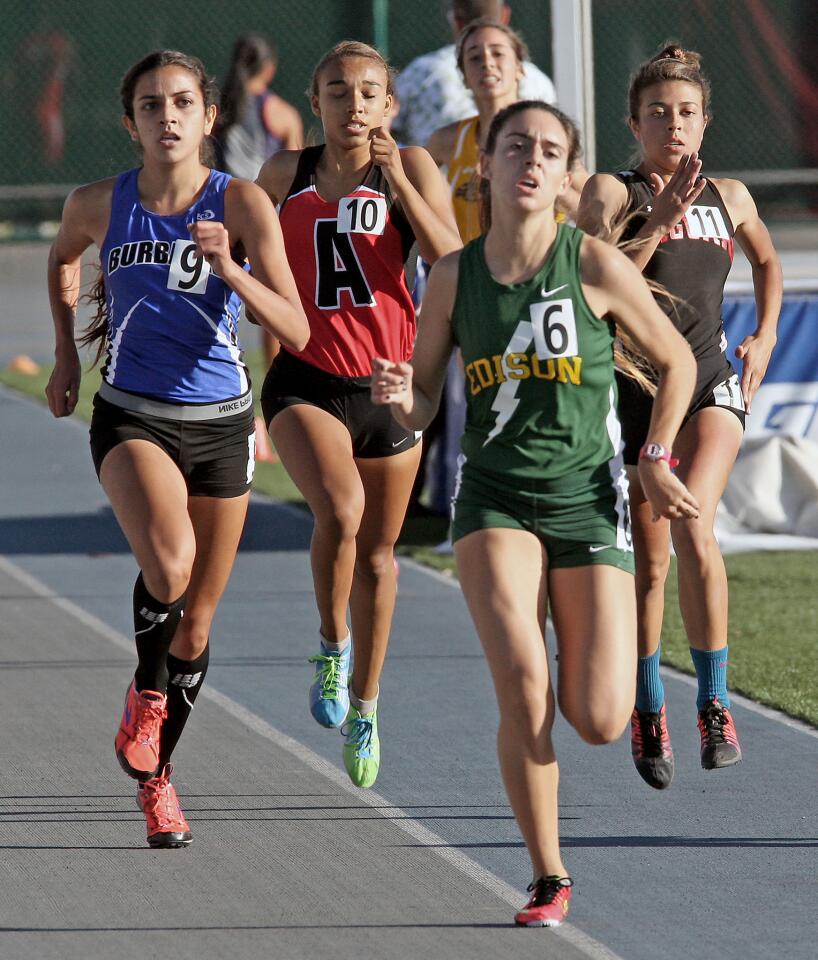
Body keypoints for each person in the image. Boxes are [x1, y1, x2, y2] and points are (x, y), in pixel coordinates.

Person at [372, 100, 699, 926]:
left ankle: (594, 663)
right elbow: (418, 406)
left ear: (566, 176)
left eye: (549, 150)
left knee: (596, 717)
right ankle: (549, 874)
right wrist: (397, 398)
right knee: (525, 689)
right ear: (488, 165)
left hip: (588, 499)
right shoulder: (454, 274)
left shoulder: (592, 263)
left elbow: (676, 362)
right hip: (494, 500)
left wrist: (655, 456)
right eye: (516, 145)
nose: (531, 159)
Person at [44, 50, 308, 847]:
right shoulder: (99, 203)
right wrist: (65, 355)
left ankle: (158, 781)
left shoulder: (246, 205)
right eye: (152, 105)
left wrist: (232, 263)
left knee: (194, 627)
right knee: (169, 565)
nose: (168, 117)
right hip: (132, 414)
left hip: (223, 424)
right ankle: (147, 699)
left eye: (182, 103)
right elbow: (61, 258)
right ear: (131, 122)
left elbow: (293, 328)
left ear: (208, 116)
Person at [256, 41, 461, 789]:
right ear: (315, 102)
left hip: (390, 388)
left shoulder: (412, 167)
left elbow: (451, 260)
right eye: (337, 91)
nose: (353, 105)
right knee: (339, 513)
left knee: (379, 554)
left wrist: (404, 183)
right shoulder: (285, 176)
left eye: (368, 92)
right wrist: (253, 385)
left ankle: (368, 703)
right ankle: (329, 644)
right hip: (305, 379)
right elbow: (260, 284)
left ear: (390, 104)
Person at [577, 43, 781, 789]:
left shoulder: (730, 195)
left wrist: (764, 332)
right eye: (658, 112)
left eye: (687, 112)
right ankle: (649, 704)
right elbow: (597, 288)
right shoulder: (611, 192)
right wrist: (657, 221)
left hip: (710, 383)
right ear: (634, 121)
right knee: (652, 560)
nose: (674, 124)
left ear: (705, 121)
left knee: (697, 526)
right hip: (636, 396)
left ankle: (716, 702)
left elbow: (766, 261)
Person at [216, 33, 304, 369]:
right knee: (273, 302)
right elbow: (296, 172)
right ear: (268, 68)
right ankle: (274, 383)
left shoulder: (213, 108)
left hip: (218, 212)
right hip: (262, 216)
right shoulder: (281, 112)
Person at [393, 1, 555, 148]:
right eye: (475, 58)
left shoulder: (421, 71)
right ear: (463, 75)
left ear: (519, 69)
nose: (487, 64)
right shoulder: (445, 143)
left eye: (498, 53)